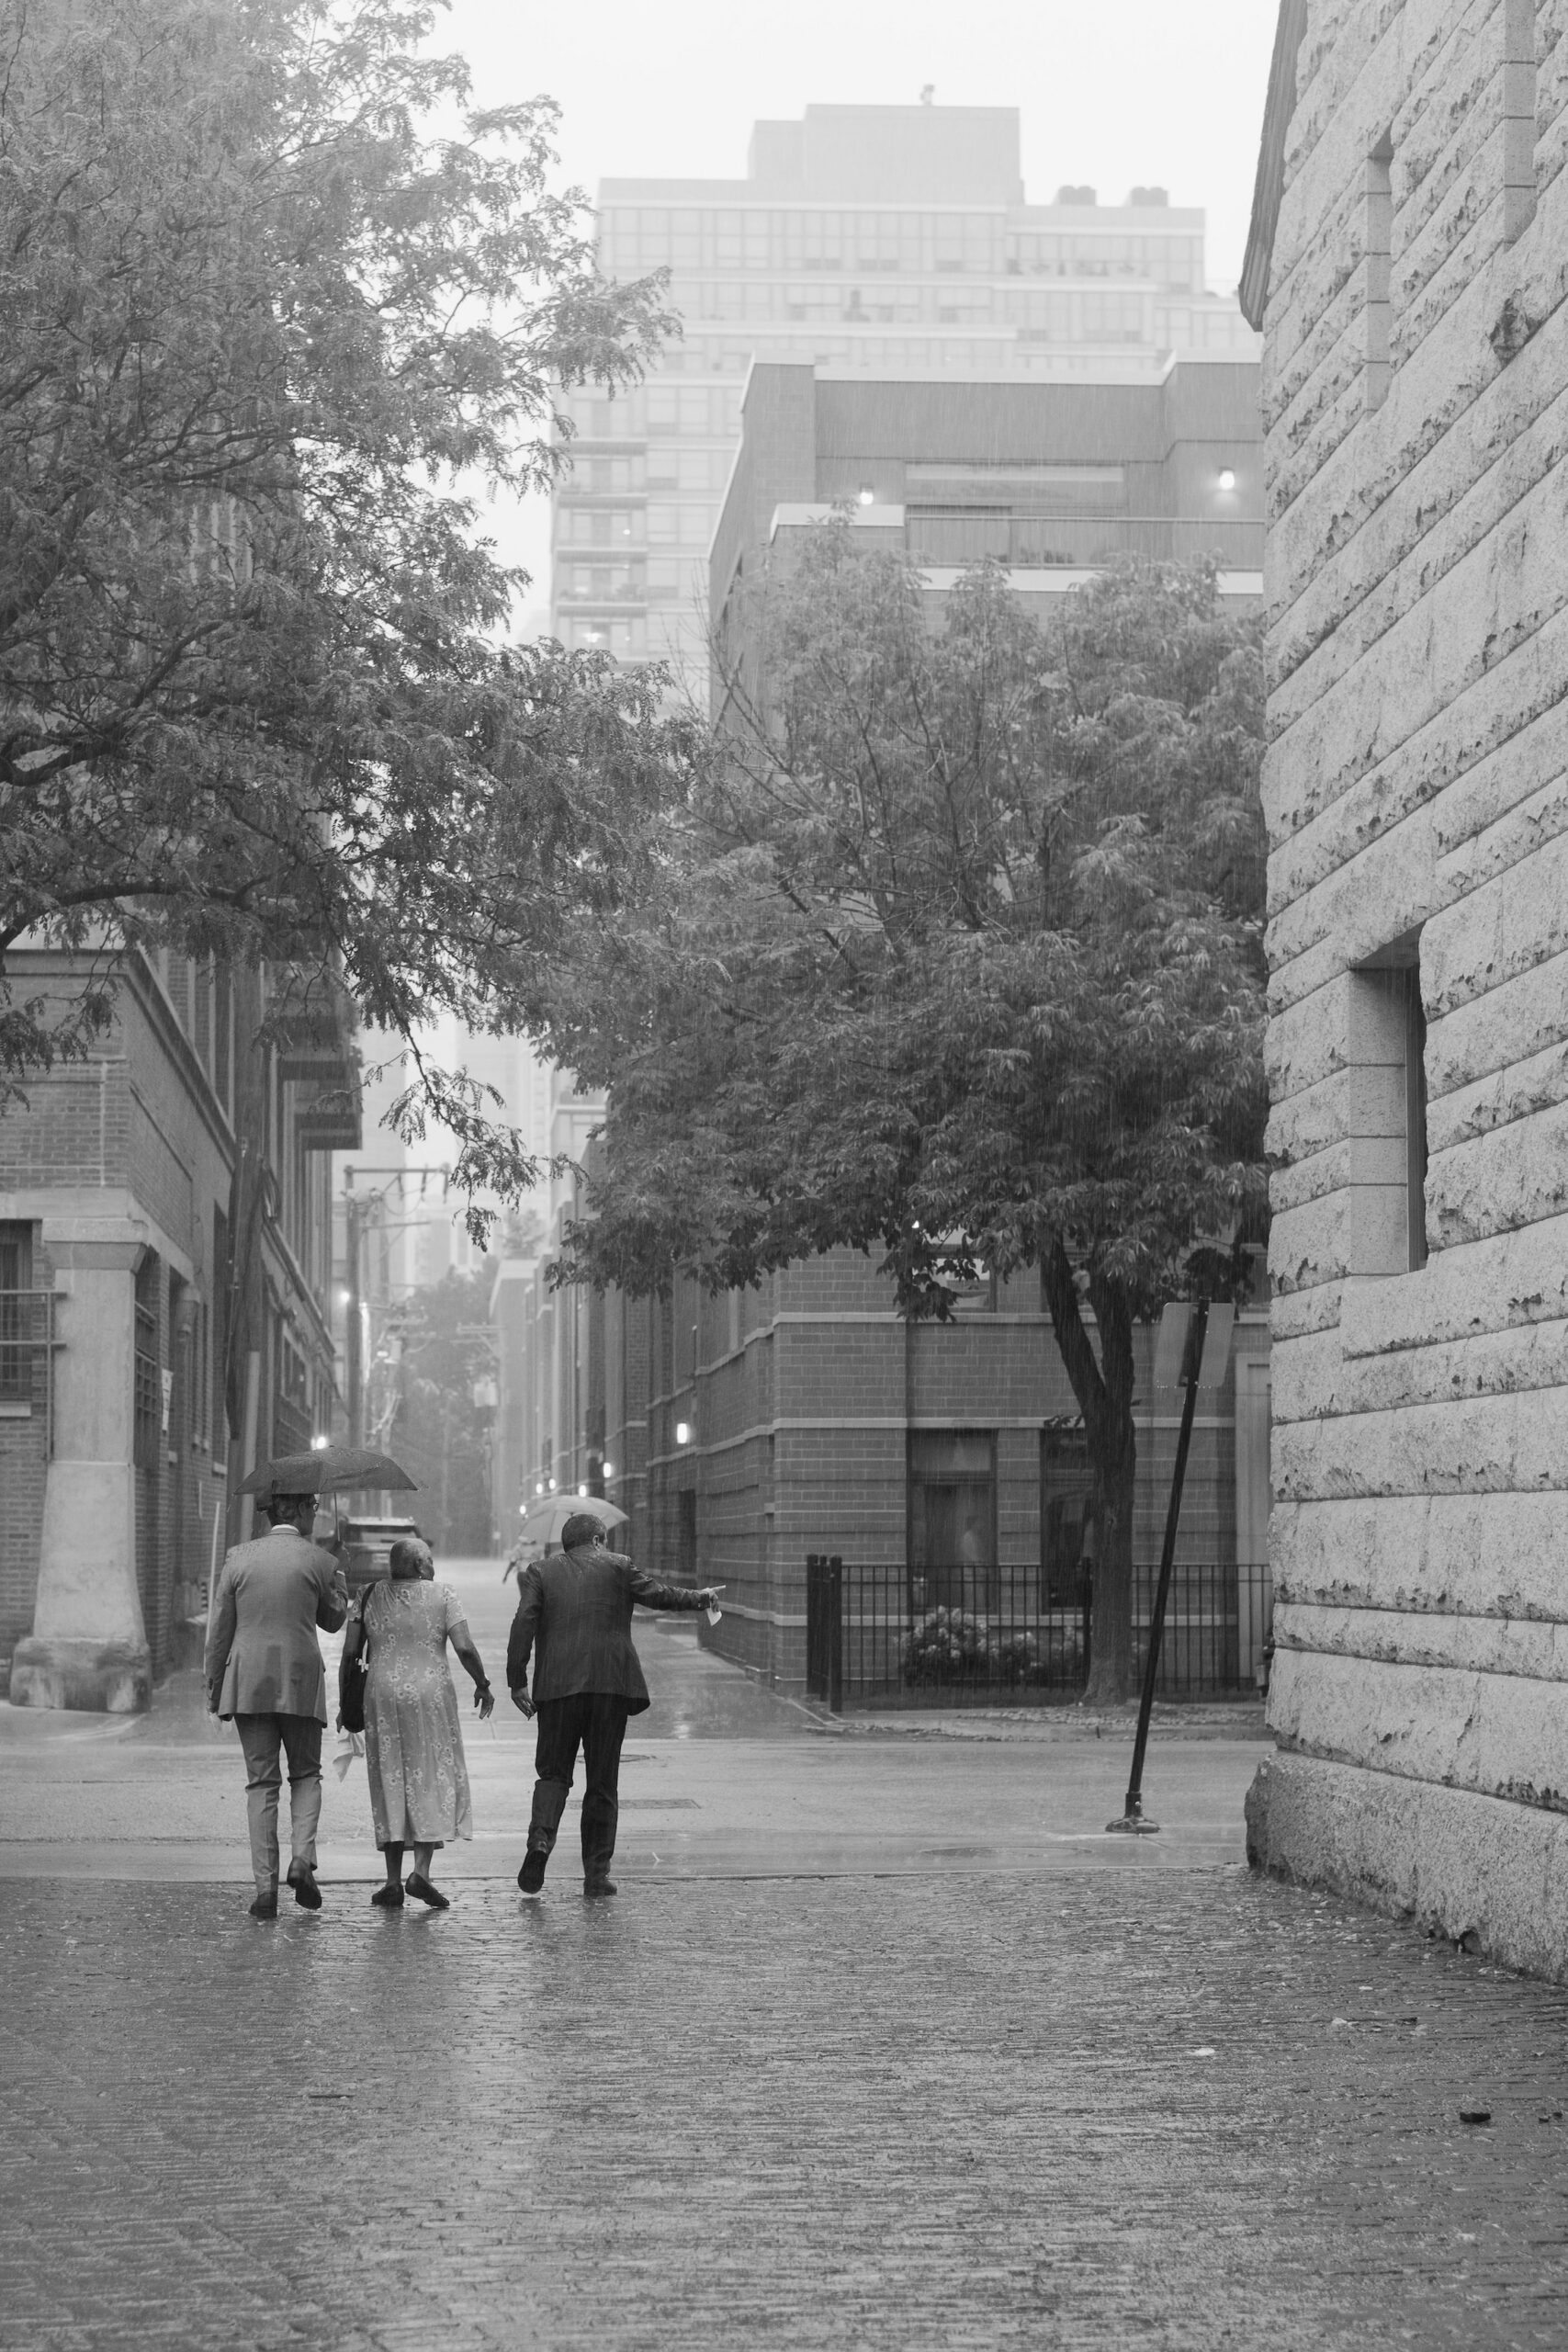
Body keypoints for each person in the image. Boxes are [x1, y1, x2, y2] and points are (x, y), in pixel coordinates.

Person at [507, 1511, 718, 1900]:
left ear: (567, 1544)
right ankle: (596, 1875)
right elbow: (659, 1595)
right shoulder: (619, 1566)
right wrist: (700, 1597)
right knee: (603, 1782)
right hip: (609, 1685)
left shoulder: (540, 1571)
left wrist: (516, 1679)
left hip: (557, 1687)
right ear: (599, 1539)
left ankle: (540, 1843)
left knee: (553, 1774)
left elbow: (524, 1620)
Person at [205, 1487, 349, 1918]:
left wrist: (214, 1689)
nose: (316, 1515)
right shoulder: (319, 1561)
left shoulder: (238, 1557)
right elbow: (334, 1618)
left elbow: (219, 1631)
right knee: (306, 1774)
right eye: (314, 1508)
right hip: (300, 1680)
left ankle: (265, 1889)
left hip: (247, 1682)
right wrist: (338, 1576)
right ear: (301, 1509)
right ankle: (301, 1860)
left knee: (261, 1783)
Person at [344, 1536, 493, 1911]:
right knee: (430, 1776)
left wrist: (346, 1702)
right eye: (429, 1560)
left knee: (390, 1780)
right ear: (418, 1566)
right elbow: (464, 1647)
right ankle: (421, 1873)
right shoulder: (443, 1595)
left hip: (380, 1695)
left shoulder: (366, 1595)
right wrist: (482, 1684)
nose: (433, 1567)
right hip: (430, 1697)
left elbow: (350, 1654)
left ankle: (393, 1881)